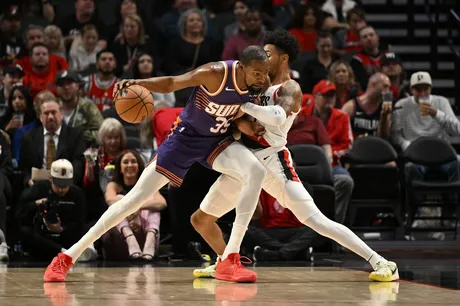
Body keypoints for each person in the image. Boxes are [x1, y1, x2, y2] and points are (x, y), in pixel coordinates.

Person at [44, 46, 270, 283]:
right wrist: (138, 83)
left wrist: (251, 127)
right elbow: (173, 82)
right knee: (134, 200)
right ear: (242, 67)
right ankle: (67, 256)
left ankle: (229, 259)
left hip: (216, 140)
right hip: (185, 139)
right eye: (257, 72)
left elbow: (238, 117)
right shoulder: (215, 73)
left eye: (265, 73)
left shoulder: (258, 84)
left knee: (255, 170)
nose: (262, 78)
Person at [191, 29, 398, 283]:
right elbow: (240, 123)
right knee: (201, 219)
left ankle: (381, 262)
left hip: (274, 162)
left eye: (268, 54)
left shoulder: (290, 88)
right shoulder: (258, 84)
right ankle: (225, 261)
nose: (263, 58)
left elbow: (278, 116)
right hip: (245, 160)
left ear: (283, 58)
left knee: (317, 221)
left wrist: (243, 107)